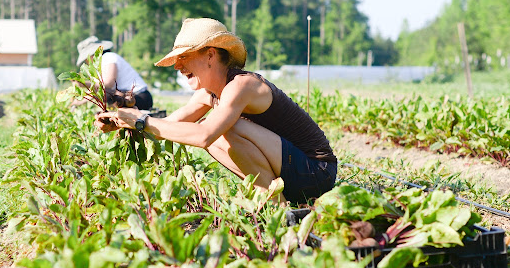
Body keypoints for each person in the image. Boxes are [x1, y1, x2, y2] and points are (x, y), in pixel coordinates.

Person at [97, 18, 336, 204]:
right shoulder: (207, 93)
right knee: (210, 131)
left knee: (221, 129)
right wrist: (121, 121)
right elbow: (168, 126)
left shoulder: (242, 86)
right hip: (289, 173)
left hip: (316, 171)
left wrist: (142, 121)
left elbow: (204, 136)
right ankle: (276, 202)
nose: (178, 67)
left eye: (184, 58)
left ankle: (274, 204)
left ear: (210, 55)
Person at [76, 35, 154, 111]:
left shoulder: (108, 57)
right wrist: (80, 100)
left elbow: (109, 84)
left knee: (107, 95)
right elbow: (98, 88)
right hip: (133, 97)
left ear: (92, 55)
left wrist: (85, 84)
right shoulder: (102, 64)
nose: (88, 62)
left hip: (139, 97)